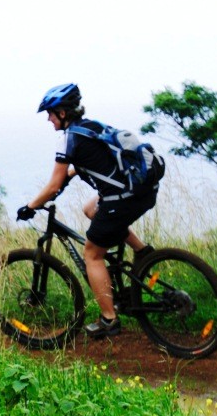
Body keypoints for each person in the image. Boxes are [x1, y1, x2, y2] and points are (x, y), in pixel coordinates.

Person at [16, 83, 160, 339]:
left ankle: (109, 320)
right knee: (90, 209)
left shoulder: (68, 139)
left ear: (62, 112)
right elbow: (98, 159)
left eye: (50, 113)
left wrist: (30, 207)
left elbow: (52, 187)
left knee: (92, 254)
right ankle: (142, 251)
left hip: (122, 199)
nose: (48, 119)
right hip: (142, 191)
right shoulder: (91, 126)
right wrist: (72, 174)